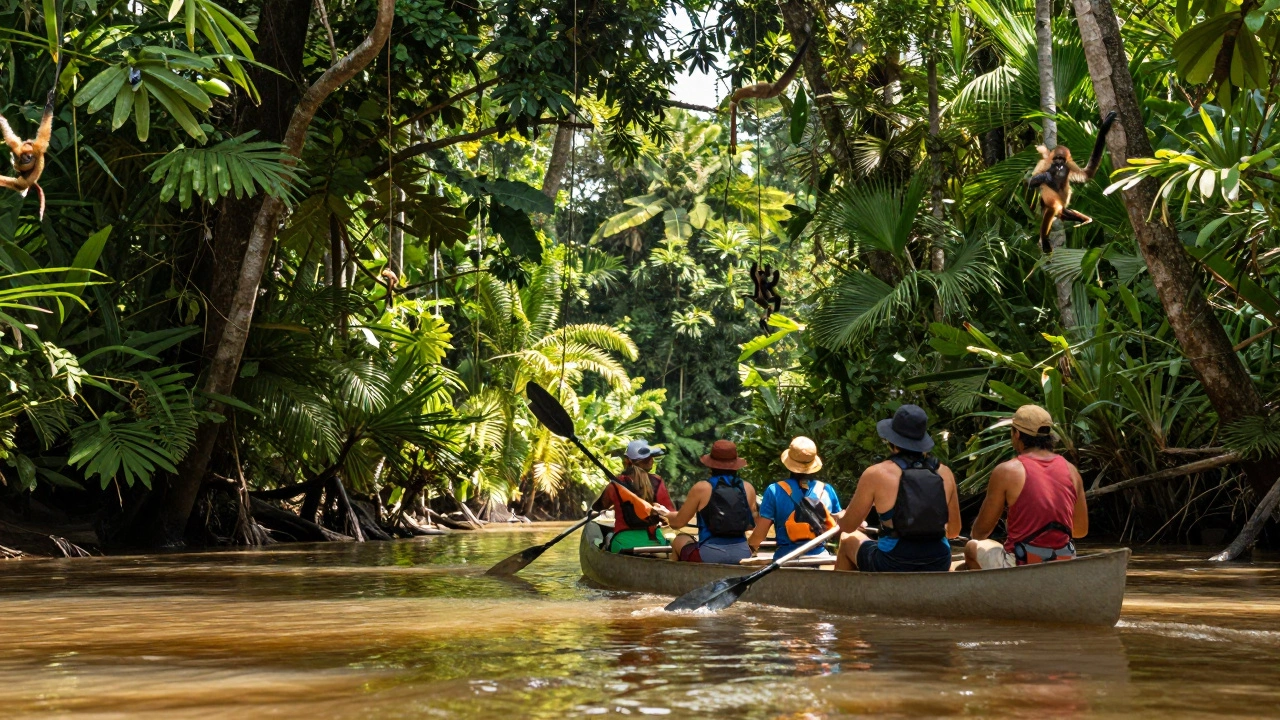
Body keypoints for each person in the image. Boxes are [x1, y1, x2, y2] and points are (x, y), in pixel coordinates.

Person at [834, 405, 961, 572]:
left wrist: (841, 518)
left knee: (847, 539)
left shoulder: (876, 473)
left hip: (892, 562)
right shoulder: (945, 473)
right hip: (939, 560)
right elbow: (954, 532)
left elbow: (848, 526)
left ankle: (843, 590)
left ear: (892, 441)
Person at [964, 405, 1088, 569]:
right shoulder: (1072, 470)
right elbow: (1080, 530)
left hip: (1021, 562)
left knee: (971, 547)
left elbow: (980, 532)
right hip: (1064, 560)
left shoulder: (1007, 471)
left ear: (1016, 434)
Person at [748, 436, 843, 559]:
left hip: (785, 558)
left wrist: (749, 548)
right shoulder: (827, 490)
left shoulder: (774, 490)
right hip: (820, 558)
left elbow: (761, 532)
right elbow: (840, 526)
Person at [668, 440, 758, 564]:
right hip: (742, 553)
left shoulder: (701, 488)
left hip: (709, 554)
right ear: (736, 465)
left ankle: (674, 576)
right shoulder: (748, 488)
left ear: (711, 465)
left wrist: (667, 515)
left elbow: (678, 523)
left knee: (679, 539)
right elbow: (753, 523)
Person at [592, 439, 675, 553]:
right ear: (650, 461)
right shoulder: (658, 482)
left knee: (608, 537)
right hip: (656, 541)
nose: (651, 460)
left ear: (627, 461)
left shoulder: (615, 485)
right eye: (650, 457)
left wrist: (616, 504)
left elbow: (599, 507)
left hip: (623, 542)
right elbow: (670, 514)